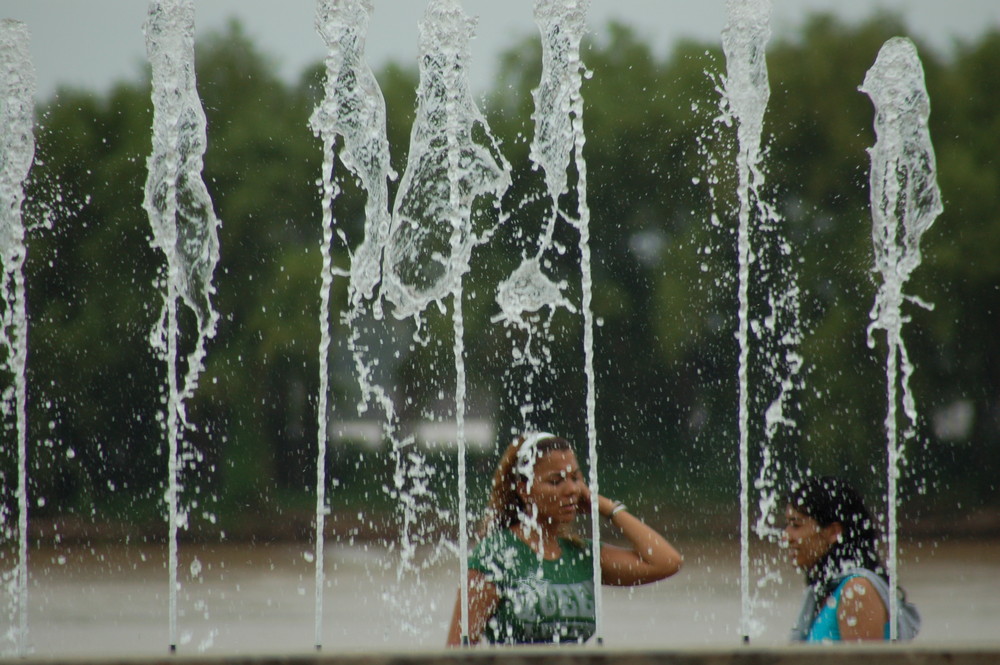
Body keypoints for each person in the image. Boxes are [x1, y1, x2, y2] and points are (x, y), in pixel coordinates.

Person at [445, 432, 682, 646]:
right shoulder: (495, 557)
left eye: (576, 478)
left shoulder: (581, 554)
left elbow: (667, 562)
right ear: (524, 489)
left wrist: (606, 507)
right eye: (556, 481)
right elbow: (457, 650)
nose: (571, 490)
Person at [784, 475, 919, 642]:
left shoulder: (857, 591)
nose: (786, 536)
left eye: (796, 525)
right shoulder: (824, 592)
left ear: (833, 532)